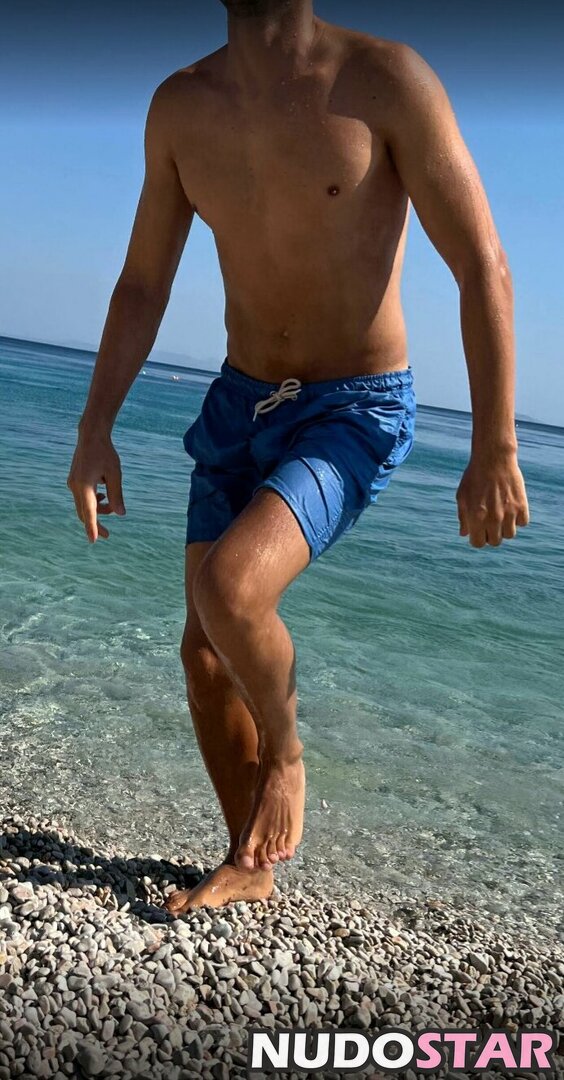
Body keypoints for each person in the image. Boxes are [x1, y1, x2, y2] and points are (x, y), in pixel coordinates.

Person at [67, 0, 530, 911]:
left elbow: (483, 262)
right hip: (238, 400)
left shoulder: (386, 82)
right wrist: (93, 430)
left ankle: (287, 752)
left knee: (233, 590)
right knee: (205, 657)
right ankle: (250, 865)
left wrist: (495, 442)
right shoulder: (181, 105)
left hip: (354, 407)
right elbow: (142, 283)